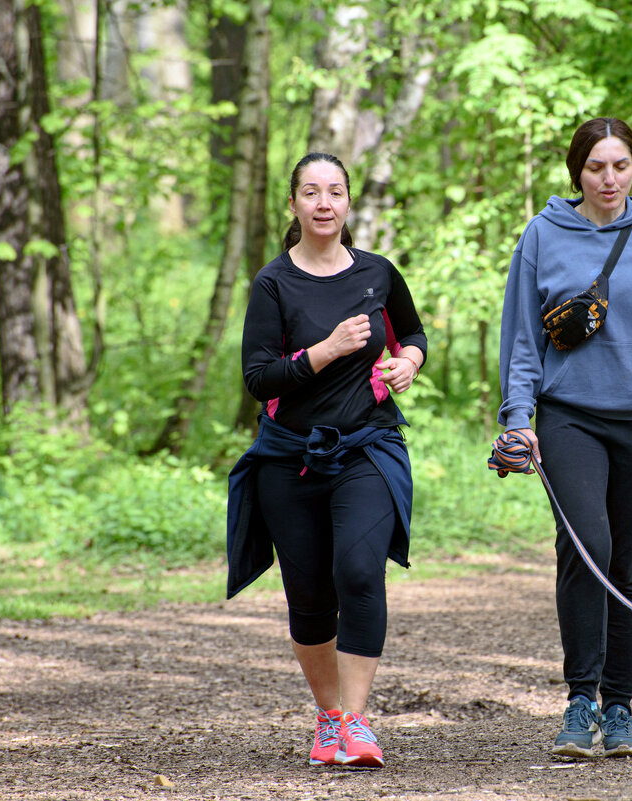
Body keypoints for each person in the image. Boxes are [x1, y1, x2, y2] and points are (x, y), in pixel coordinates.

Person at [497, 117, 632, 758]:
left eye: (620, 165)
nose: (610, 178)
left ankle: (619, 708)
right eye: (597, 167)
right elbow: (522, 338)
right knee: (585, 545)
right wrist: (517, 418)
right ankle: (579, 700)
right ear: (578, 172)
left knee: (629, 563)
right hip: (570, 417)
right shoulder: (542, 235)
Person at [226, 152, 427, 769]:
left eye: (334, 191)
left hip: (367, 446)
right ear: (294, 205)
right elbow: (259, 379)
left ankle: (359, 723)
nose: (323, 202)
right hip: (291, 459)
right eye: (310, 192)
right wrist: (327, 350)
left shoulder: (378, 274)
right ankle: (330, 718)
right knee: (310, 595)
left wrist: (408, 364)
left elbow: (414, 335)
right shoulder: (272, 282)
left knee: (360, 573)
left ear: (347, 204)